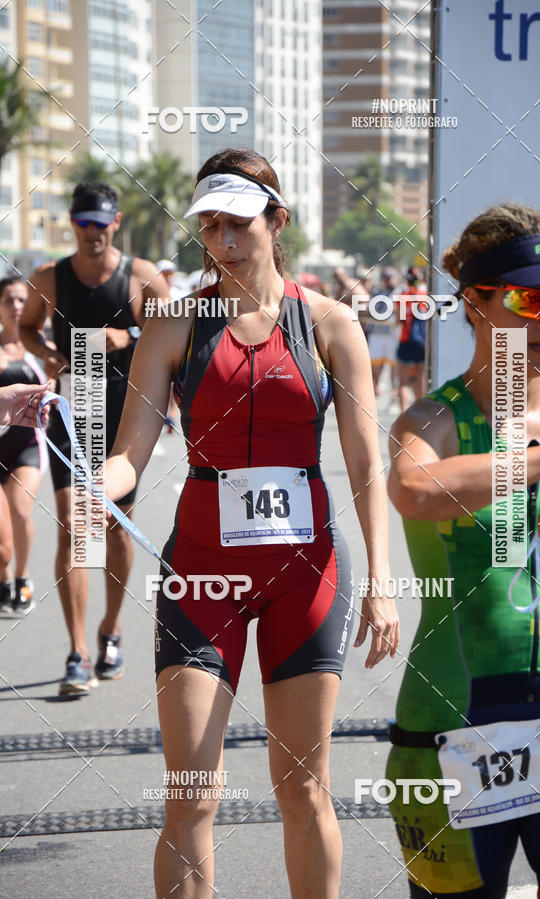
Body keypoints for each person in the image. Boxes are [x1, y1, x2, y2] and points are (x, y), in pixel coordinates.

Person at [103, 148, 398, 898]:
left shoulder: (329, 322)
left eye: (240, 223)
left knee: (304, 789)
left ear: (277, 220)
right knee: (192, 794)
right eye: (210, 226)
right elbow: (132, 449)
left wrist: (383, 582)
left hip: (307, 577)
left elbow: (367, 466)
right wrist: (96, 484)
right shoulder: (176, 323)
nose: (225, 241)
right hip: (203, 573)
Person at [387, 202, 540, 897]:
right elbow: (414, 490)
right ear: (475, 304)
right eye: (528, 298)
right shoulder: (434, 419)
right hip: (455, 719)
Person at [20, 180, 170, 695]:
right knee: (72, 526)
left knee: (114, 529)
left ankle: (111, 630)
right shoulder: (49, 277)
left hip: (123, 413)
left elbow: (170, 338)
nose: (92, 234)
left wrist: (125, 336)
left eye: (100, 224)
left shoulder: (142, 278)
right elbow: (25, 327)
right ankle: (78, 652)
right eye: (83, 224)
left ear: (116, 223)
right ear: (72, 223)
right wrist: (48, 357)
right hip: (69, 408)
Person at [0, 277, 49, 616]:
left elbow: (56, 379)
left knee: (20, 510)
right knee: (2, 543)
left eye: (22, 300)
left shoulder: (38, 346)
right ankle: (4, 574)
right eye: (9, 301)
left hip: (28, 445)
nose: (17, 307)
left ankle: (23, 576)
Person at [395, 267, 427, 411]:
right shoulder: (425, 296)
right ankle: (421, 412)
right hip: (422, 342)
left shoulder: (403, 297)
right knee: (420, 379)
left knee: (403, 382)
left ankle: (403, 413)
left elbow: (399, 320)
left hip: (406, 340)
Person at [370, 266, 400, 399]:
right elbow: (373, 308)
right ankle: (376, 384)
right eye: (385, 278)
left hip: (394, 333)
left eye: (390, 278)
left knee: (394, 364)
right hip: (378, 332)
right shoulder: (378, 292)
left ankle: (395, 390)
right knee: (375, 363)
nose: (388, 281)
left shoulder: (402, 292)